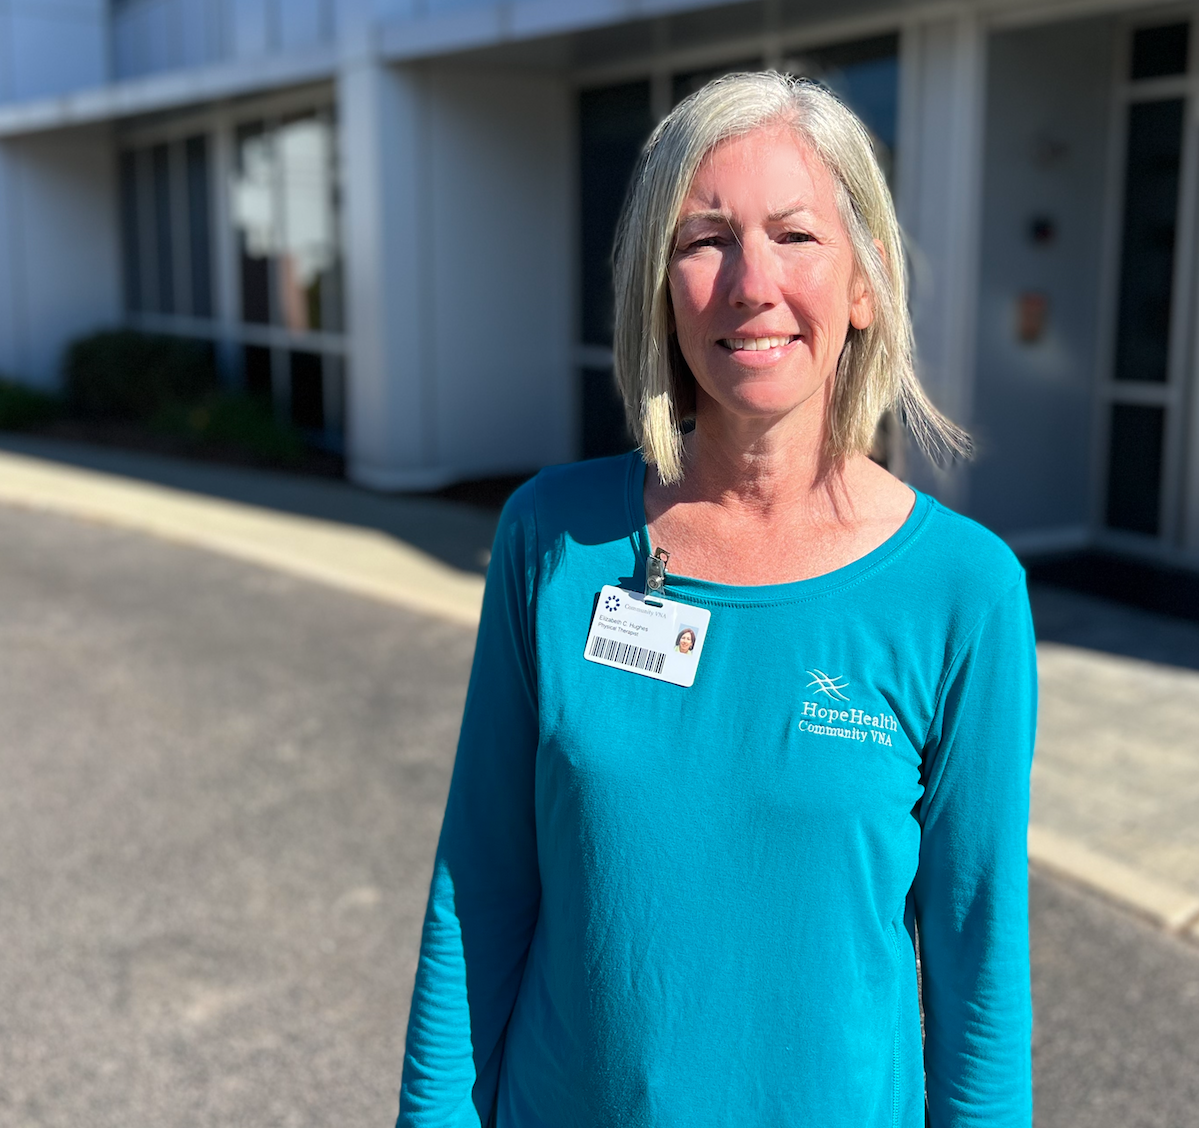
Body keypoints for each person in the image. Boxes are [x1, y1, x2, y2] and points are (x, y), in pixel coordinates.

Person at [397, 71, 1037, 1127]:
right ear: (657, 281)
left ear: (864, 284)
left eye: (794, 235)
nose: (750, 281)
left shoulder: (959, 593)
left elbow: (978, 974)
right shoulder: (552, 539)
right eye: (703, 239)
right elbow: (482, 878)